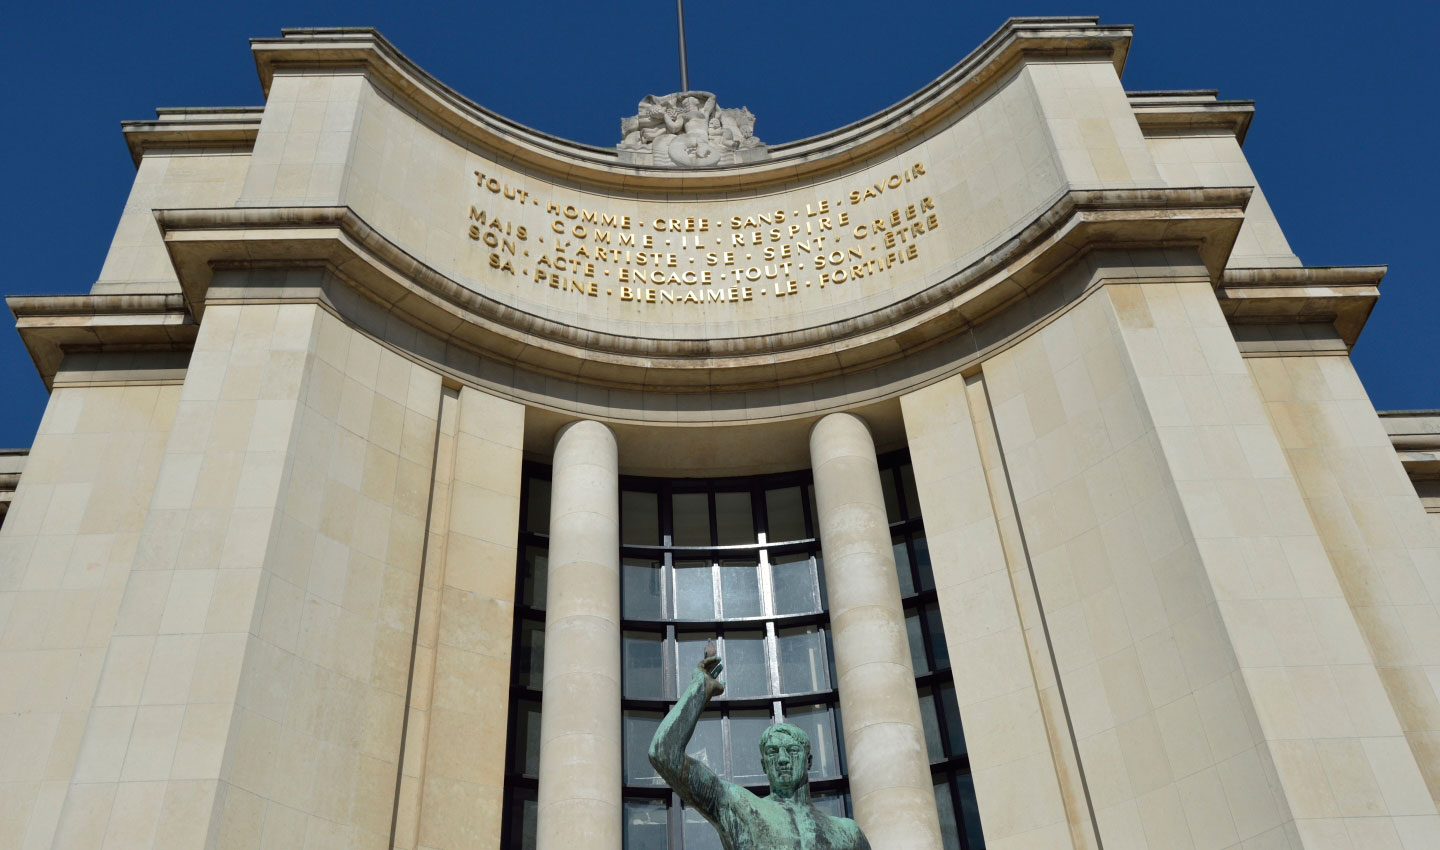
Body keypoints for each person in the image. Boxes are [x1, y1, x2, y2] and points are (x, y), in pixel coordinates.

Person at [648, 649, 871, 849]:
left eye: (792, 750)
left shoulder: (848, 835)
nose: (782, 759)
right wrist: (699, 690)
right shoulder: (741, 807)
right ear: (764, 765)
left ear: (808, 761)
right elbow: (663, 753)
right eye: (773, 752)